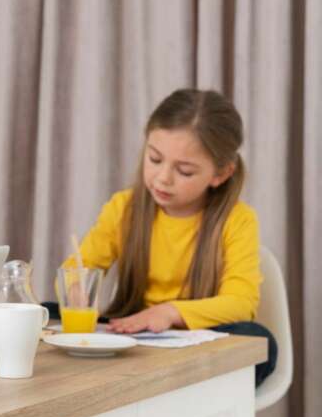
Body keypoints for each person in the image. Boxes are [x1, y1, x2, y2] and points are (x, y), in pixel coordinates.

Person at [58, 88, 276, 386]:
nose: (162, 178)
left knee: (260, 341)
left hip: (199, 339)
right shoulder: (125, 208)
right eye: (154, 159)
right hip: (133, 333)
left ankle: (180, 396)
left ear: (221, 174)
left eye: (184, 171)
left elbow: (241, 303)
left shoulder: (237, 220)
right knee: (47, 312)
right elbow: (82, 265)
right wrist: (76, 288)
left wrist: (169, 313)